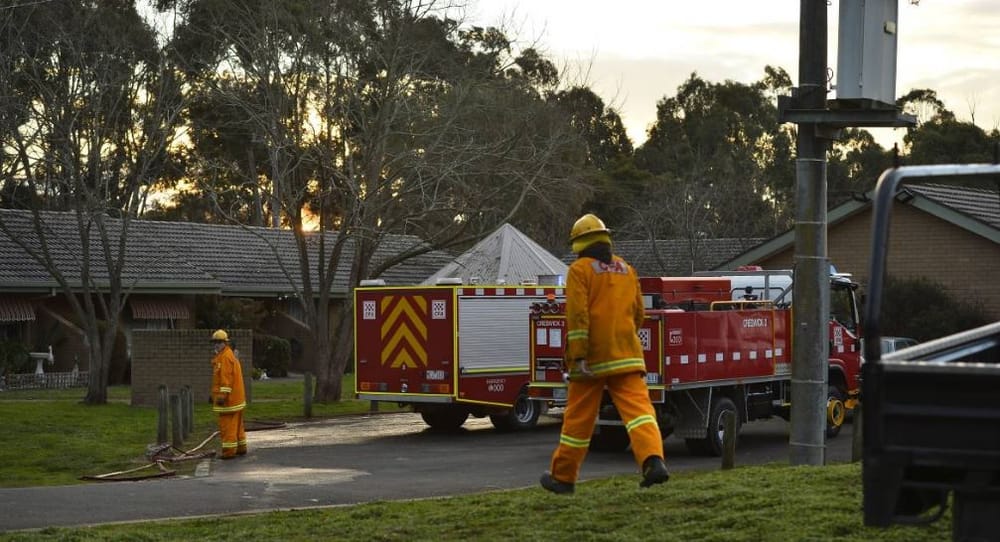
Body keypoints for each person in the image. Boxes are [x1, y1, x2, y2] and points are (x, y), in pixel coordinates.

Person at [540, 214, 669, 493]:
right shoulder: (627, 268)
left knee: (578, 420)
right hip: (627, 356)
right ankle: (653, 460)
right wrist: (622, 339)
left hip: (591, 361)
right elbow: (639, 315)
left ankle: (563, 478)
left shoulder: (579, 271)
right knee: (640, 413)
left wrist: (580, 355)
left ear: (578, 244)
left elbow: (577, 316)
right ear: (605, 238)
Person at [210, 329, 247, 459]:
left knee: (227, 426)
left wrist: (221, 396)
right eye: (215, 342)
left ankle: (229, 452)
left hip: (229, 400)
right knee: (237, 425)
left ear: (225, 343)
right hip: (236, 398)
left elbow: (226, 379)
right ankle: (241, 447)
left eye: (219, 342)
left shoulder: (225, 357)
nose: (216, 345)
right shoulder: (228, 355)